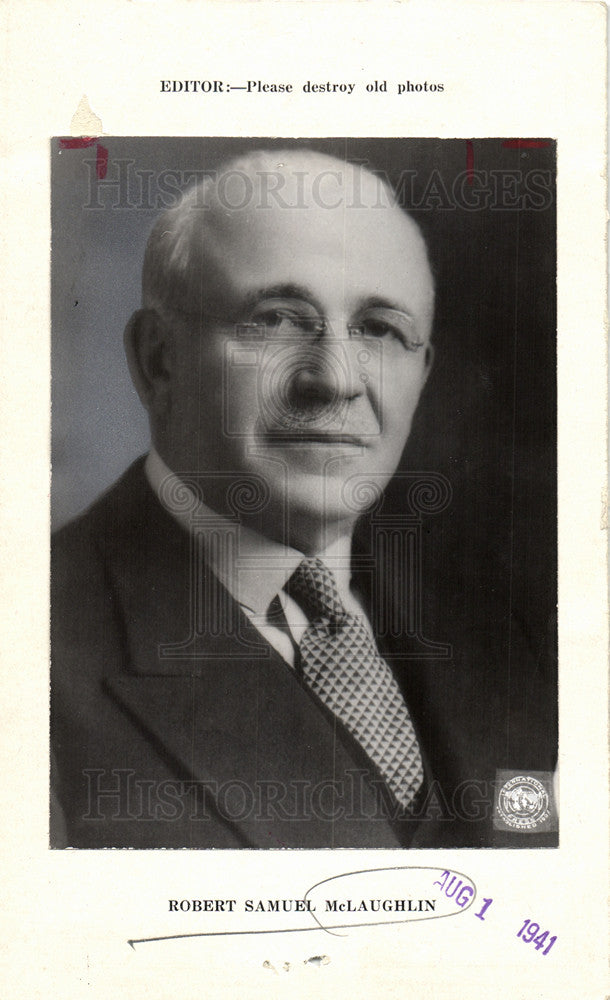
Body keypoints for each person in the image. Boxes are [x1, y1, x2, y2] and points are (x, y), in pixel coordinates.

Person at [51, 147, 557, 848]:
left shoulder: (512, 631)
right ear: (158, 360)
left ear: (423, 372)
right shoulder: (38, 645)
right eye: (278, 320)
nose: (335, 380)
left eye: (381, 329)